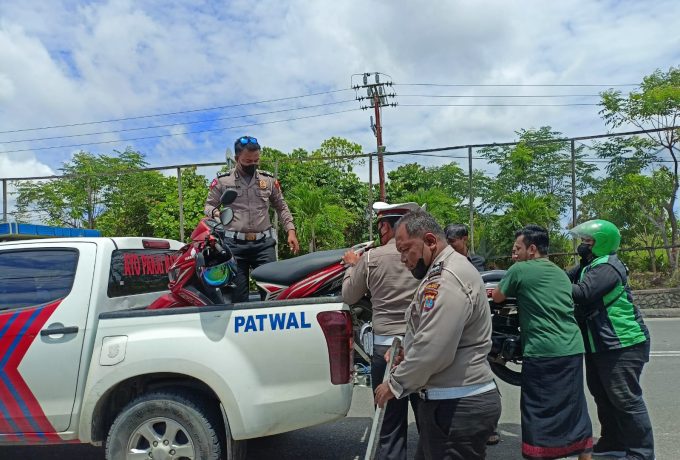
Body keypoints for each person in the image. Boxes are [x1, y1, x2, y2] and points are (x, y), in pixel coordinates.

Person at [375, 210, 501, 460]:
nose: (403, 259)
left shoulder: (446, 279)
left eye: (405, 250)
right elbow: (429, 331)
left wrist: (394, 384)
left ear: (430, 241)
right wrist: (404, 350)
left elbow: (433, 349)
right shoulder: (441, 272)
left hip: (457, 407)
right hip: (449, 403)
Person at [492, 225, 593, 460]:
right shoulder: (559, 272)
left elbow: (497, 296)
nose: (513, 254)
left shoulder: (520, 270)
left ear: (532, 249)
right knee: (573, 405)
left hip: (542, 350)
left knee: (537, 409)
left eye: (517, 248)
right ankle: (584, 455)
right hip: (572, 347)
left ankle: (539, 454)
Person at [342, 201, 422, 460]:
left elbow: (349, 295)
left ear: (386, 227)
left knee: (390, 425)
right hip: (421, 348)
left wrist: (351, 266)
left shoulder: (371, 258)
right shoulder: (422, 255)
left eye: (380, 227)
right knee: (429, 421)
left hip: (385, 350)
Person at [568, 219, 653, 460]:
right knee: (602, 394)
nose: (583, 245)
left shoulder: (607, 267)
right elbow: (564, 278)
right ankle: (613, 440)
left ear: (602, 243)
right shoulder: (589, 265)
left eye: (588, 241)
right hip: (601, 343)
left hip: (622, 343)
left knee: (625, 399)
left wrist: (551, 283)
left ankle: (641, 453)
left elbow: (583, 293)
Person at [204, 135, 300, 302]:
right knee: (238, 298)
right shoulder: (223, 181)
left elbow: (281, 206)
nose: (253, 165)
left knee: (272, 296)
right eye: (248, 161)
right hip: (234, 246)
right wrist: (217, 214)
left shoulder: (267, 180)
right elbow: (209, 207)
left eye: (256, 161)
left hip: (263, 246)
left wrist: (291, 230)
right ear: (236, 159)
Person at [445, 222, 501, 447]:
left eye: (453, 242)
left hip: (474, 327)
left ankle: (489, 428)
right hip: (451, 324)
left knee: (480, 375)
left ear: (465, 239)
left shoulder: (477, 263)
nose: (450, 246)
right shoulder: (443, 262)